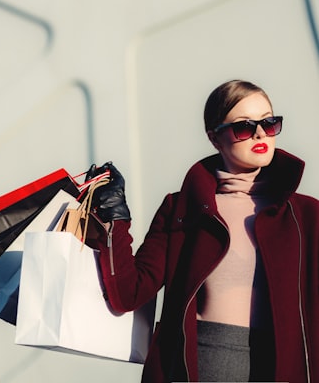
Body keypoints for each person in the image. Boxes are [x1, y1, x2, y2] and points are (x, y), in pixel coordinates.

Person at [87, 79, 319, 382]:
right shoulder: (183, 208)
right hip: (202, 365)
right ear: (214, 139)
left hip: (281, 368)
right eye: (244, 127)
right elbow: (129, 293)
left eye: (269, 123)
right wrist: (115, 218)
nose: (261, 134)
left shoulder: (306, 214)